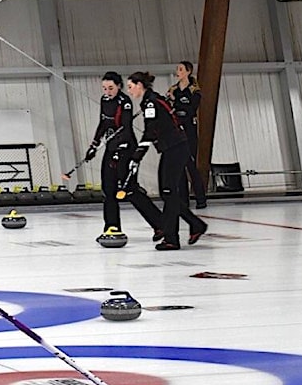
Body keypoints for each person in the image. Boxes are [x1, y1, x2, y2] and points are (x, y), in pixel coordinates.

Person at [125, 72, 207, 251]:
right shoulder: (150, 101)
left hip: (176, 148)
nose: (129, 91)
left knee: (168, 192)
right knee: (167, 193)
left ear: (140, 85)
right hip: (172, 149)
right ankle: (195, 224)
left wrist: (137, 155)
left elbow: (150, 131)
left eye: (130, 87)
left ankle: (171, 238)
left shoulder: (151, 103)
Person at [83, 71, 163, 241]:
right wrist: (94, 145)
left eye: (110, 88)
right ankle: (112, 227)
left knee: (130, 190)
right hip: (111, 148)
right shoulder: (105, 101)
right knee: (108, 189)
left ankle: (160, 224)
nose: (107, 92)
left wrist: (120, 151)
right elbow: (103, 124)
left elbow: (125, 128)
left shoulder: (124, 102)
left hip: (126, 148)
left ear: (118, 86)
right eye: (104, 88)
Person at [167, 61, 208, 209]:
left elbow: (191, 109)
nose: (178, 71)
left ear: (188, 71)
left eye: (181, 69)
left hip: (189, 130)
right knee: (178, 167)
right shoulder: (173, 89)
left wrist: (175, 101)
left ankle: (201, 198)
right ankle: (183, 200)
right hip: (177, 131)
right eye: (177, 69)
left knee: (190, 164)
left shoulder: (194, 90)